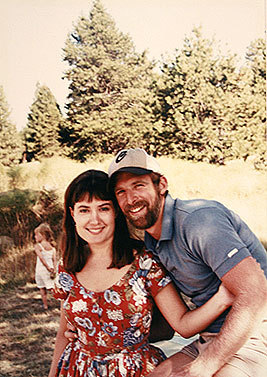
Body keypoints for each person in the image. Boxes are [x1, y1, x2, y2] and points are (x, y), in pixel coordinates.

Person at [48, 169, 233, 377]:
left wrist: (223, 298)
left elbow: (183, 324)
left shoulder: (144, 262)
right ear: (73, 214)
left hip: (134, 370)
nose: (94, 219)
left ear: (116, 211)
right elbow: (64, 332)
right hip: (78, 369)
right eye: (84, 210)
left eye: (103, 208)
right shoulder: (68, 265)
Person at [107, 148, 267, 377]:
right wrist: (87, 326)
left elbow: (256, 294)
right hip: (210, 339)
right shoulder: (153, 242)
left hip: (255, 332)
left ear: (161, 185)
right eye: (121, 192)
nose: (130, 199)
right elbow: (172, 326)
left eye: (138, 185)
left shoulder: (199, 221)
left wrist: (205, 366)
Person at [34, 222, 57, 310]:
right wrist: (54, 269)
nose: (35, 237)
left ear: (42, 235)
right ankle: (59, 301)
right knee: (52, 287)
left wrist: (47, 267)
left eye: (36, 235)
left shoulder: (38, 246)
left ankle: (45, 305)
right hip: (50, 270)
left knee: (42, 289)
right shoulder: (52, 247)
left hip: (42, 270)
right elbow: (54, 260)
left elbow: (41, 258)